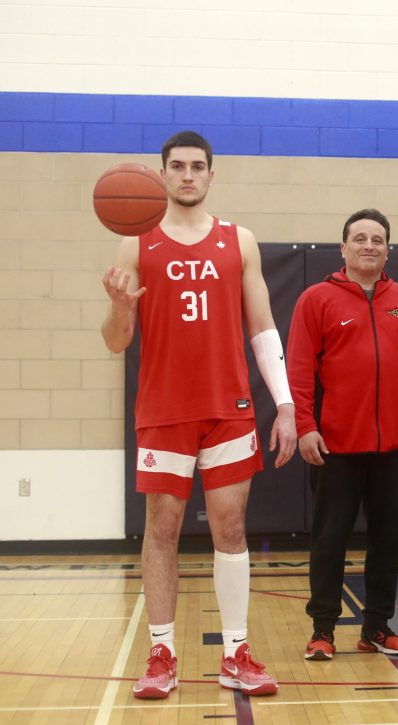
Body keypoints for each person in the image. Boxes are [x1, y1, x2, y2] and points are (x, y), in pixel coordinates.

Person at [101, 130, 297, 698]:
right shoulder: (136, 245)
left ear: (212, 175)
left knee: (230, 529)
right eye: (177, 166)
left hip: (228, 408)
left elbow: (262, 328)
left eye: (197, 167)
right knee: (161, 531)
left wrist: (284, 404)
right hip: (164, 411)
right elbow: (117, 341)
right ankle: (162, 652)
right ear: (162, 175)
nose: (187, 175)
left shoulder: (241, 241)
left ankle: (235, 652)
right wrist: (118, 309)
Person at [287, 208, 398, 660]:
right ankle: (322, 630)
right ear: (343, 248)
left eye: (377, 239)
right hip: (335, 446)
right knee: (329, 541)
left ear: (388, 250)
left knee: (387, 542)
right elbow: (298, 371)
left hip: (393, 446)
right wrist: (306, 427)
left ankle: (376, 627)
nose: (369, 246)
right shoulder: (316, 300)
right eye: (359, 238)